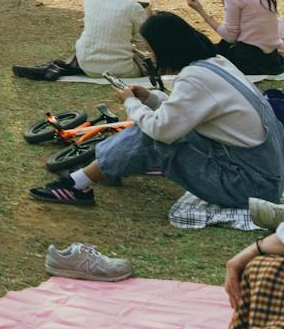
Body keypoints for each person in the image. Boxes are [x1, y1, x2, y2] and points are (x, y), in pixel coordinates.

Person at [31, 11, 284, 209]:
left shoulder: (194, 79)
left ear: (166, 47)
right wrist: (150, 99)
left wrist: (129, 102)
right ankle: (99, 172)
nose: (149, 54)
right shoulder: (216, 63)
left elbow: (160, 130)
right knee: (156, 128)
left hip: (249, 187)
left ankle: (78, 185)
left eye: (150, 48)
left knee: (151, 136)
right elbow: (185, 113)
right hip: (262, 175)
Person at [15, 0, 148, 81]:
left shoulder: (89, 0)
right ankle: (56, 67)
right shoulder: (133, 7)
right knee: (145, 59)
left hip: (87, 66)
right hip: (122, 70)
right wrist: (148, 13)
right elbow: (143, 38)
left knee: (86, 47)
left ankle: (55, 67)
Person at [187, 0, 284, 75]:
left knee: (202, 47)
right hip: (271, 58)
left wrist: (200, 10)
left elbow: (230, 36)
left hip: (248, 59)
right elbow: (243, 19)